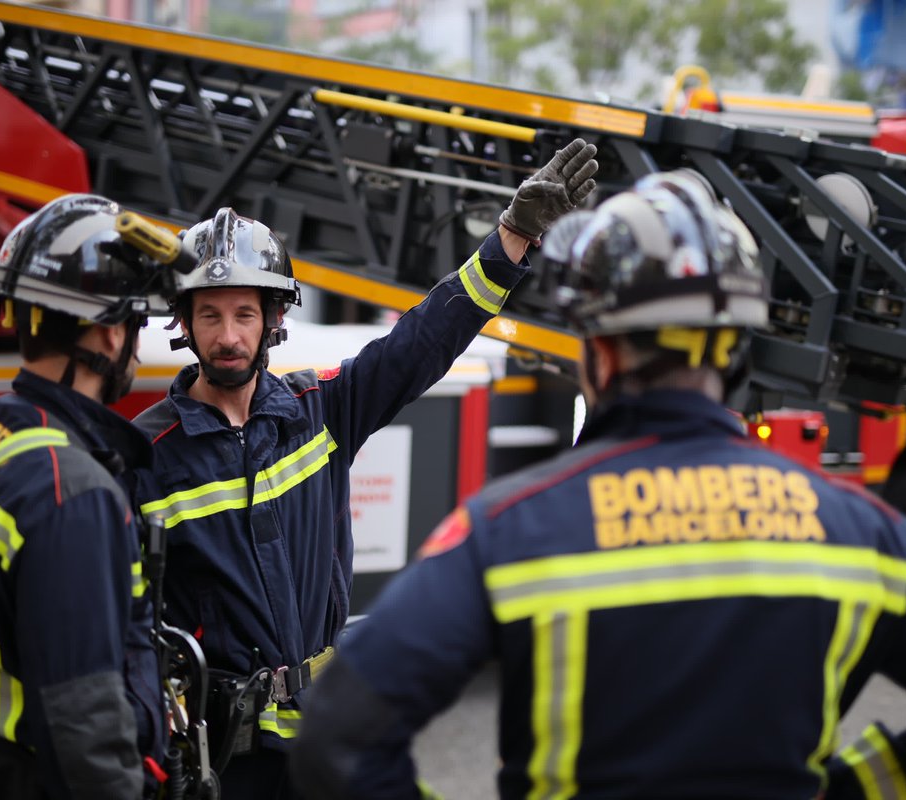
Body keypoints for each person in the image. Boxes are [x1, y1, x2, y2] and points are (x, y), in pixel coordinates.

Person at [289, 173, 906, 799]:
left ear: (598, 356)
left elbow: (338, 737)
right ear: (737, 351)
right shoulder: (858, 530)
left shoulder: (509, 530)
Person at [133, 139, 599, 796]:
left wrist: (512, 237)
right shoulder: (146, 455)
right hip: (221, 763)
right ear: (183, 322)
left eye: (244, 314)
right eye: (209, 315)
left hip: (324, 736)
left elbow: (422, 341)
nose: (228, 336)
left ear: (273, 320)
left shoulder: (321, 408)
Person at [0, 194, 172, 800]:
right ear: (110, 331)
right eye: (136, 324)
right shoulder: (74, 493)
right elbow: (84, 724)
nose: (135, 345)